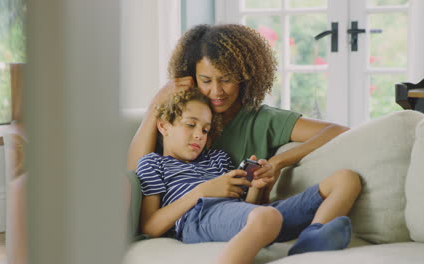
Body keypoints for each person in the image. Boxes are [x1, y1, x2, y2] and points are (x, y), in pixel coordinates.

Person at [128, 24, 361, 259]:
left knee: (346, 180)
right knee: (265, 217)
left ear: (244, 77)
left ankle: (313, 238)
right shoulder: (175, 122)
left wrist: (274, 166)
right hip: (215, 216)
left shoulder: (233, 144)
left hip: (248, 214)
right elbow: (136, 177)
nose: (216, 91)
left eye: (227, 79)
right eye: (206, 80)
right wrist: (156, 106)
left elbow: (337, 130)